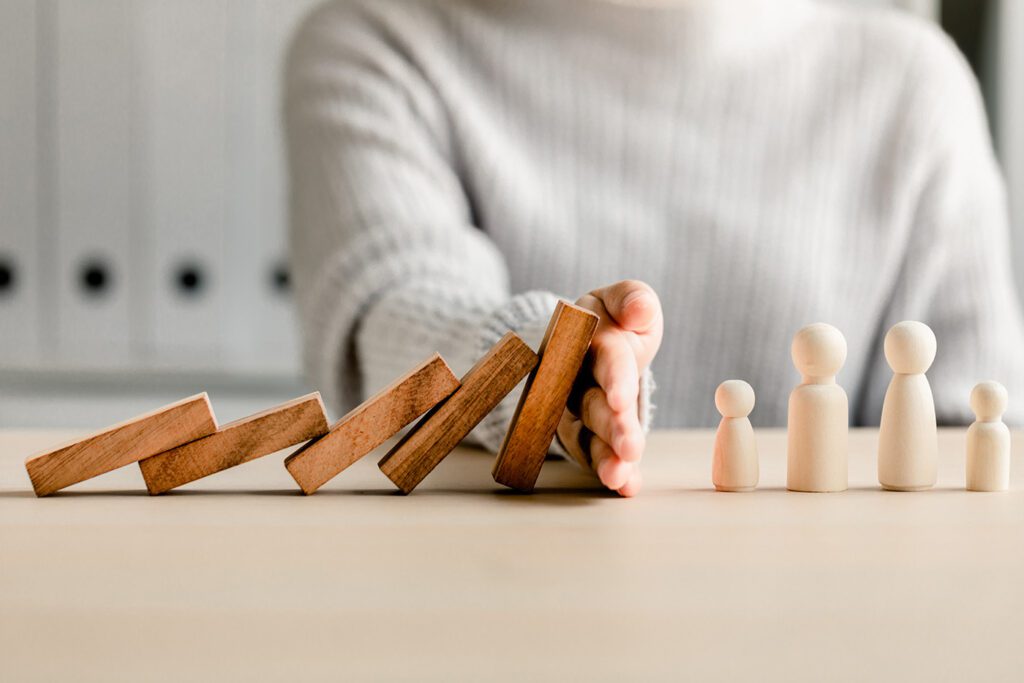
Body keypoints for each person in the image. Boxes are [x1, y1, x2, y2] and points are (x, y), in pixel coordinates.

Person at [284, 0, 1024, 496]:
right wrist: (539, 365)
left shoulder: (914, 84)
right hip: (482, 607)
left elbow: (983, 440)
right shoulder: (375, 39)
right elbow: (384, 316)